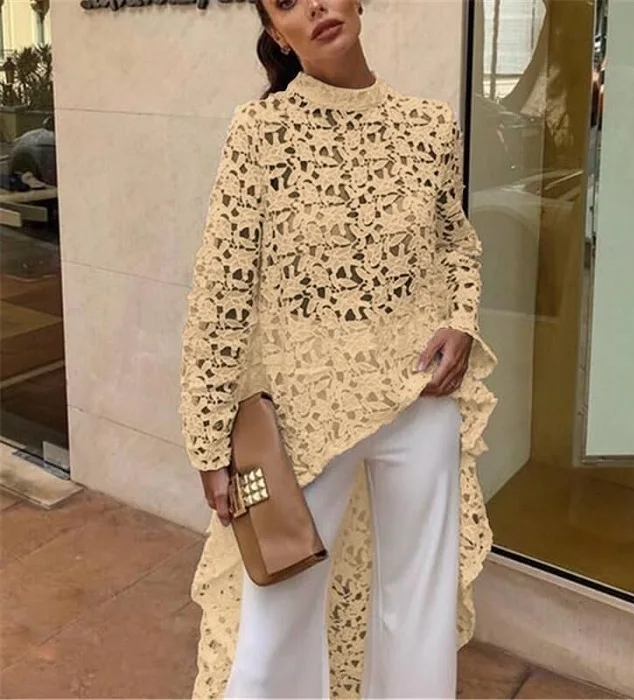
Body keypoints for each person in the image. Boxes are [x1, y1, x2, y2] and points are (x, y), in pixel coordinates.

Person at [179, 0, 497, 697]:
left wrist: (461, 322)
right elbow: (221, 291)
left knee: (418, 605)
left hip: (421, 397)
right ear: (277, 32)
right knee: (274, 622)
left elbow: (456, 244)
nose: (316, 8)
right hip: (304, 419)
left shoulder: (430, 125)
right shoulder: (259, 134)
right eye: (287, 3)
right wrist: (208, 440)